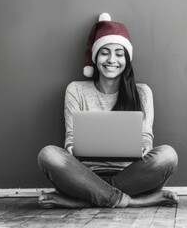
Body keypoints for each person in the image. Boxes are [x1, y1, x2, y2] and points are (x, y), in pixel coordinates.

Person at [37, 13, 179, 208]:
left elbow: (146, 137)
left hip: (131, 176)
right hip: (83, 175)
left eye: (119, 54)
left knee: (168, 155)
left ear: (127, 59)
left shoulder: (143, 92)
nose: (112, 60)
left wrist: (145, 145)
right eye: (105, 52)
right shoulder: (75, 90)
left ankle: (86, 200)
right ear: (95, 57)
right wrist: (71, 147)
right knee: (48, 155)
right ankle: (131, 201)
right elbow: (71, 138)